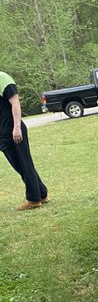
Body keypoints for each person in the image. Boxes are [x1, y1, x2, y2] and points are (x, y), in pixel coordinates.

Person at [0, 71, 48, 211]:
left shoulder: (3, 78)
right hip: (3, 132)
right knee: (21, 165)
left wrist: (16, 127)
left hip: (13, 130)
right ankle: (42, 193)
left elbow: (15, 102)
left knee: (23, 164)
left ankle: (33, 199)